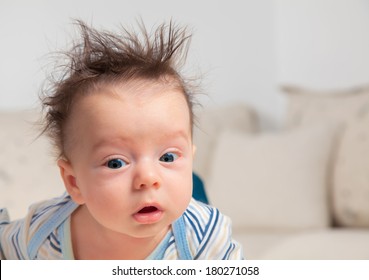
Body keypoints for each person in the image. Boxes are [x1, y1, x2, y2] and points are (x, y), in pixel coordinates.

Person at [0, 19, 243, 260]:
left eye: (168, 156)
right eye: (116, 163)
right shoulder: (41, 235)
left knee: (191, 192)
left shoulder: (205, 239)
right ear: (74, 182)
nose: (148, 178)